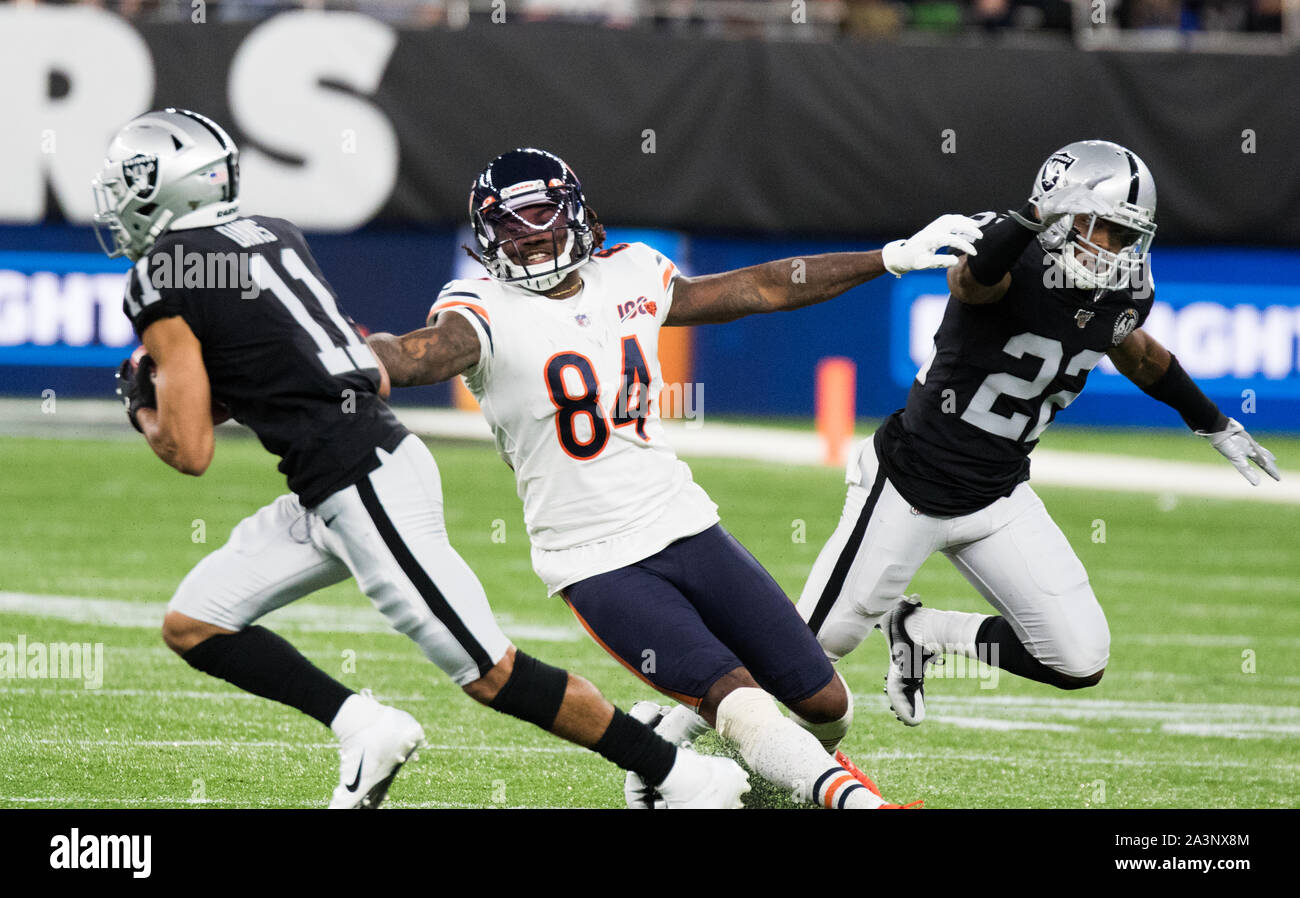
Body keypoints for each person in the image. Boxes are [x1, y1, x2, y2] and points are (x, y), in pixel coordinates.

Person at [100, 110, 749, 809]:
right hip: (347, 474)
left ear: (164, 184)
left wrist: (142, 403)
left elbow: (190, 450)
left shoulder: (159, 272)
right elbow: (341, 370)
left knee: (490, 672)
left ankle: (684, 777)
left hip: (360, 481)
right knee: (196, 621)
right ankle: (363, 727)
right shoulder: (271, 236)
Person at [367, 147, 983, 808]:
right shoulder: (480, 305)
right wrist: (360, 356)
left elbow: (762, 287)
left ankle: (674, 755)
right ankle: (859, 804)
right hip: (594, 557)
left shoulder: (631, 273)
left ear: (575, 213)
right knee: (743, 705)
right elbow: (413, 355)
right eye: (510, 225)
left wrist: (885, 258)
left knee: (828, 705)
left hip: (685, 523)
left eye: (542, 214)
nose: (531, 235)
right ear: (489, 239)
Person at [796, 140, 1280, 726]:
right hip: (909, 486)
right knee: (808, 653)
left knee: (1079, 657)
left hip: (999, 496)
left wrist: (1211, 420)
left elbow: (1136, 353)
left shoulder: (1125, 290)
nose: (1115, 249)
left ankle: (919, 630)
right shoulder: (1010, 256)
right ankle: (681, 730)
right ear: (1056, 215)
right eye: (1102, 228)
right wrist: (1026, 220)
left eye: (1128, 236)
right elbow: (971, 283)